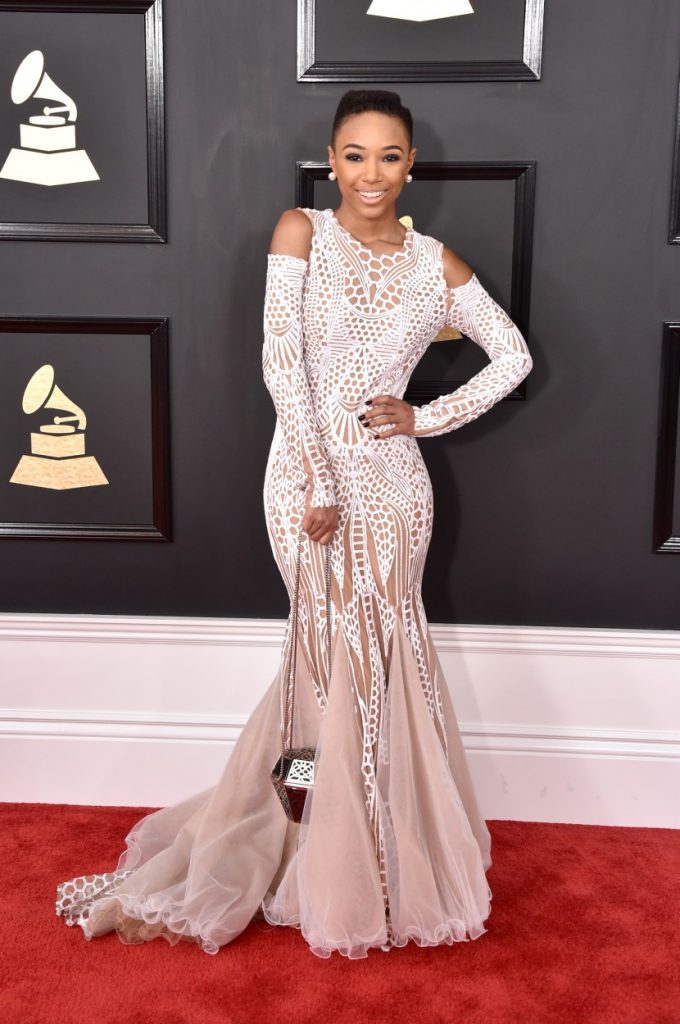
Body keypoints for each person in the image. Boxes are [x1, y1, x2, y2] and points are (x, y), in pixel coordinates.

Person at [55, 88, 533, 960]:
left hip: (395, 488)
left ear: (411, 163)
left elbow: (515, 355)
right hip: (306, 481)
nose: (372, 174)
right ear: (331, 157)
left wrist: (425, 416)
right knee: (320, 661)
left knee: (385, 664)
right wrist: (318, 478)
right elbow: (282, 363)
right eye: (355, 155)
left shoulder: (435, 264)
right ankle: (303, 835)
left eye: (389, 156)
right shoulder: (299, 232)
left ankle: (379, 848)